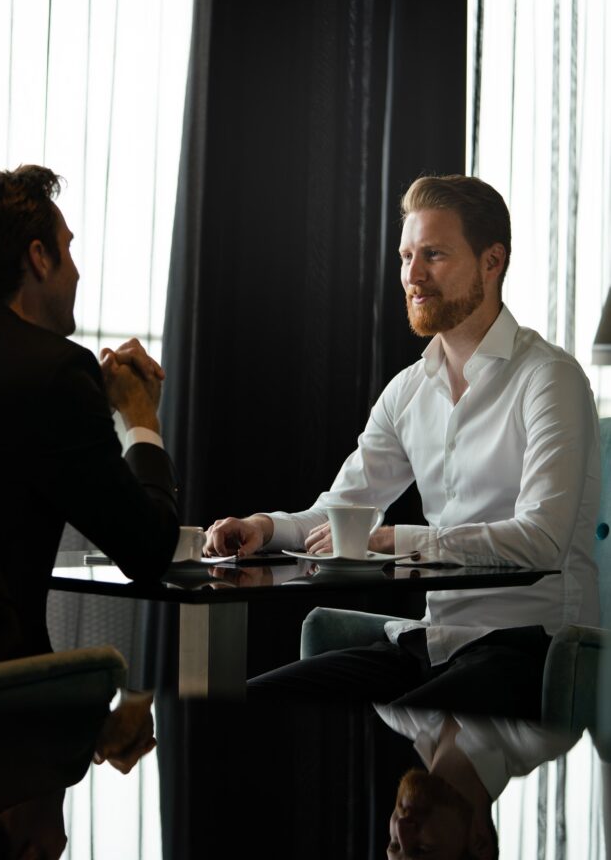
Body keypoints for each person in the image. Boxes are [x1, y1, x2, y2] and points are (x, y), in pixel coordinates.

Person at [204, 175, 600, 717]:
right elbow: (340, 512)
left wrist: (401, 540)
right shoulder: (408, 391)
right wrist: (264, 529)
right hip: (435, 642)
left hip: (533, 649)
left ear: (492, 261)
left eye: (433, 255)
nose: (412, 276)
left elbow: (541, 541)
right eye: (406, 256)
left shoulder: (548, 378)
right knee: (244, 706)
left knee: (414, 722)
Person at [0, 164, 180, 675]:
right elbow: (149, 550)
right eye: (68, 247)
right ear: (39, 258)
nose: (79, 271)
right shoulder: (55, 370)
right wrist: (138, 416)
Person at [382, 708, 579, 860]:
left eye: (395, 845)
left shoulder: (392, 711)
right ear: (479, 841)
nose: (401, 826)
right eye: (421, 850)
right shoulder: (546, 730)